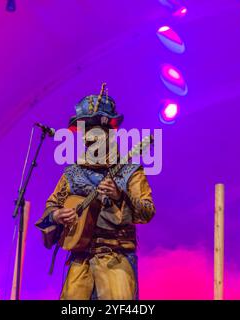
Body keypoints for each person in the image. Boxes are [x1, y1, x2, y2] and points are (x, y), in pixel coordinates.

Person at [35, 84, 155, 300]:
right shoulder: (72, 173)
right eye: (86, 129)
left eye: (96, 128)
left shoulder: (129, 171)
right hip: (79, 264)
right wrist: (56, 215)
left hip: (115, 261)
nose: (90, 135)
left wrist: (120, 197)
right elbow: (48, 212)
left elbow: (147, 211)